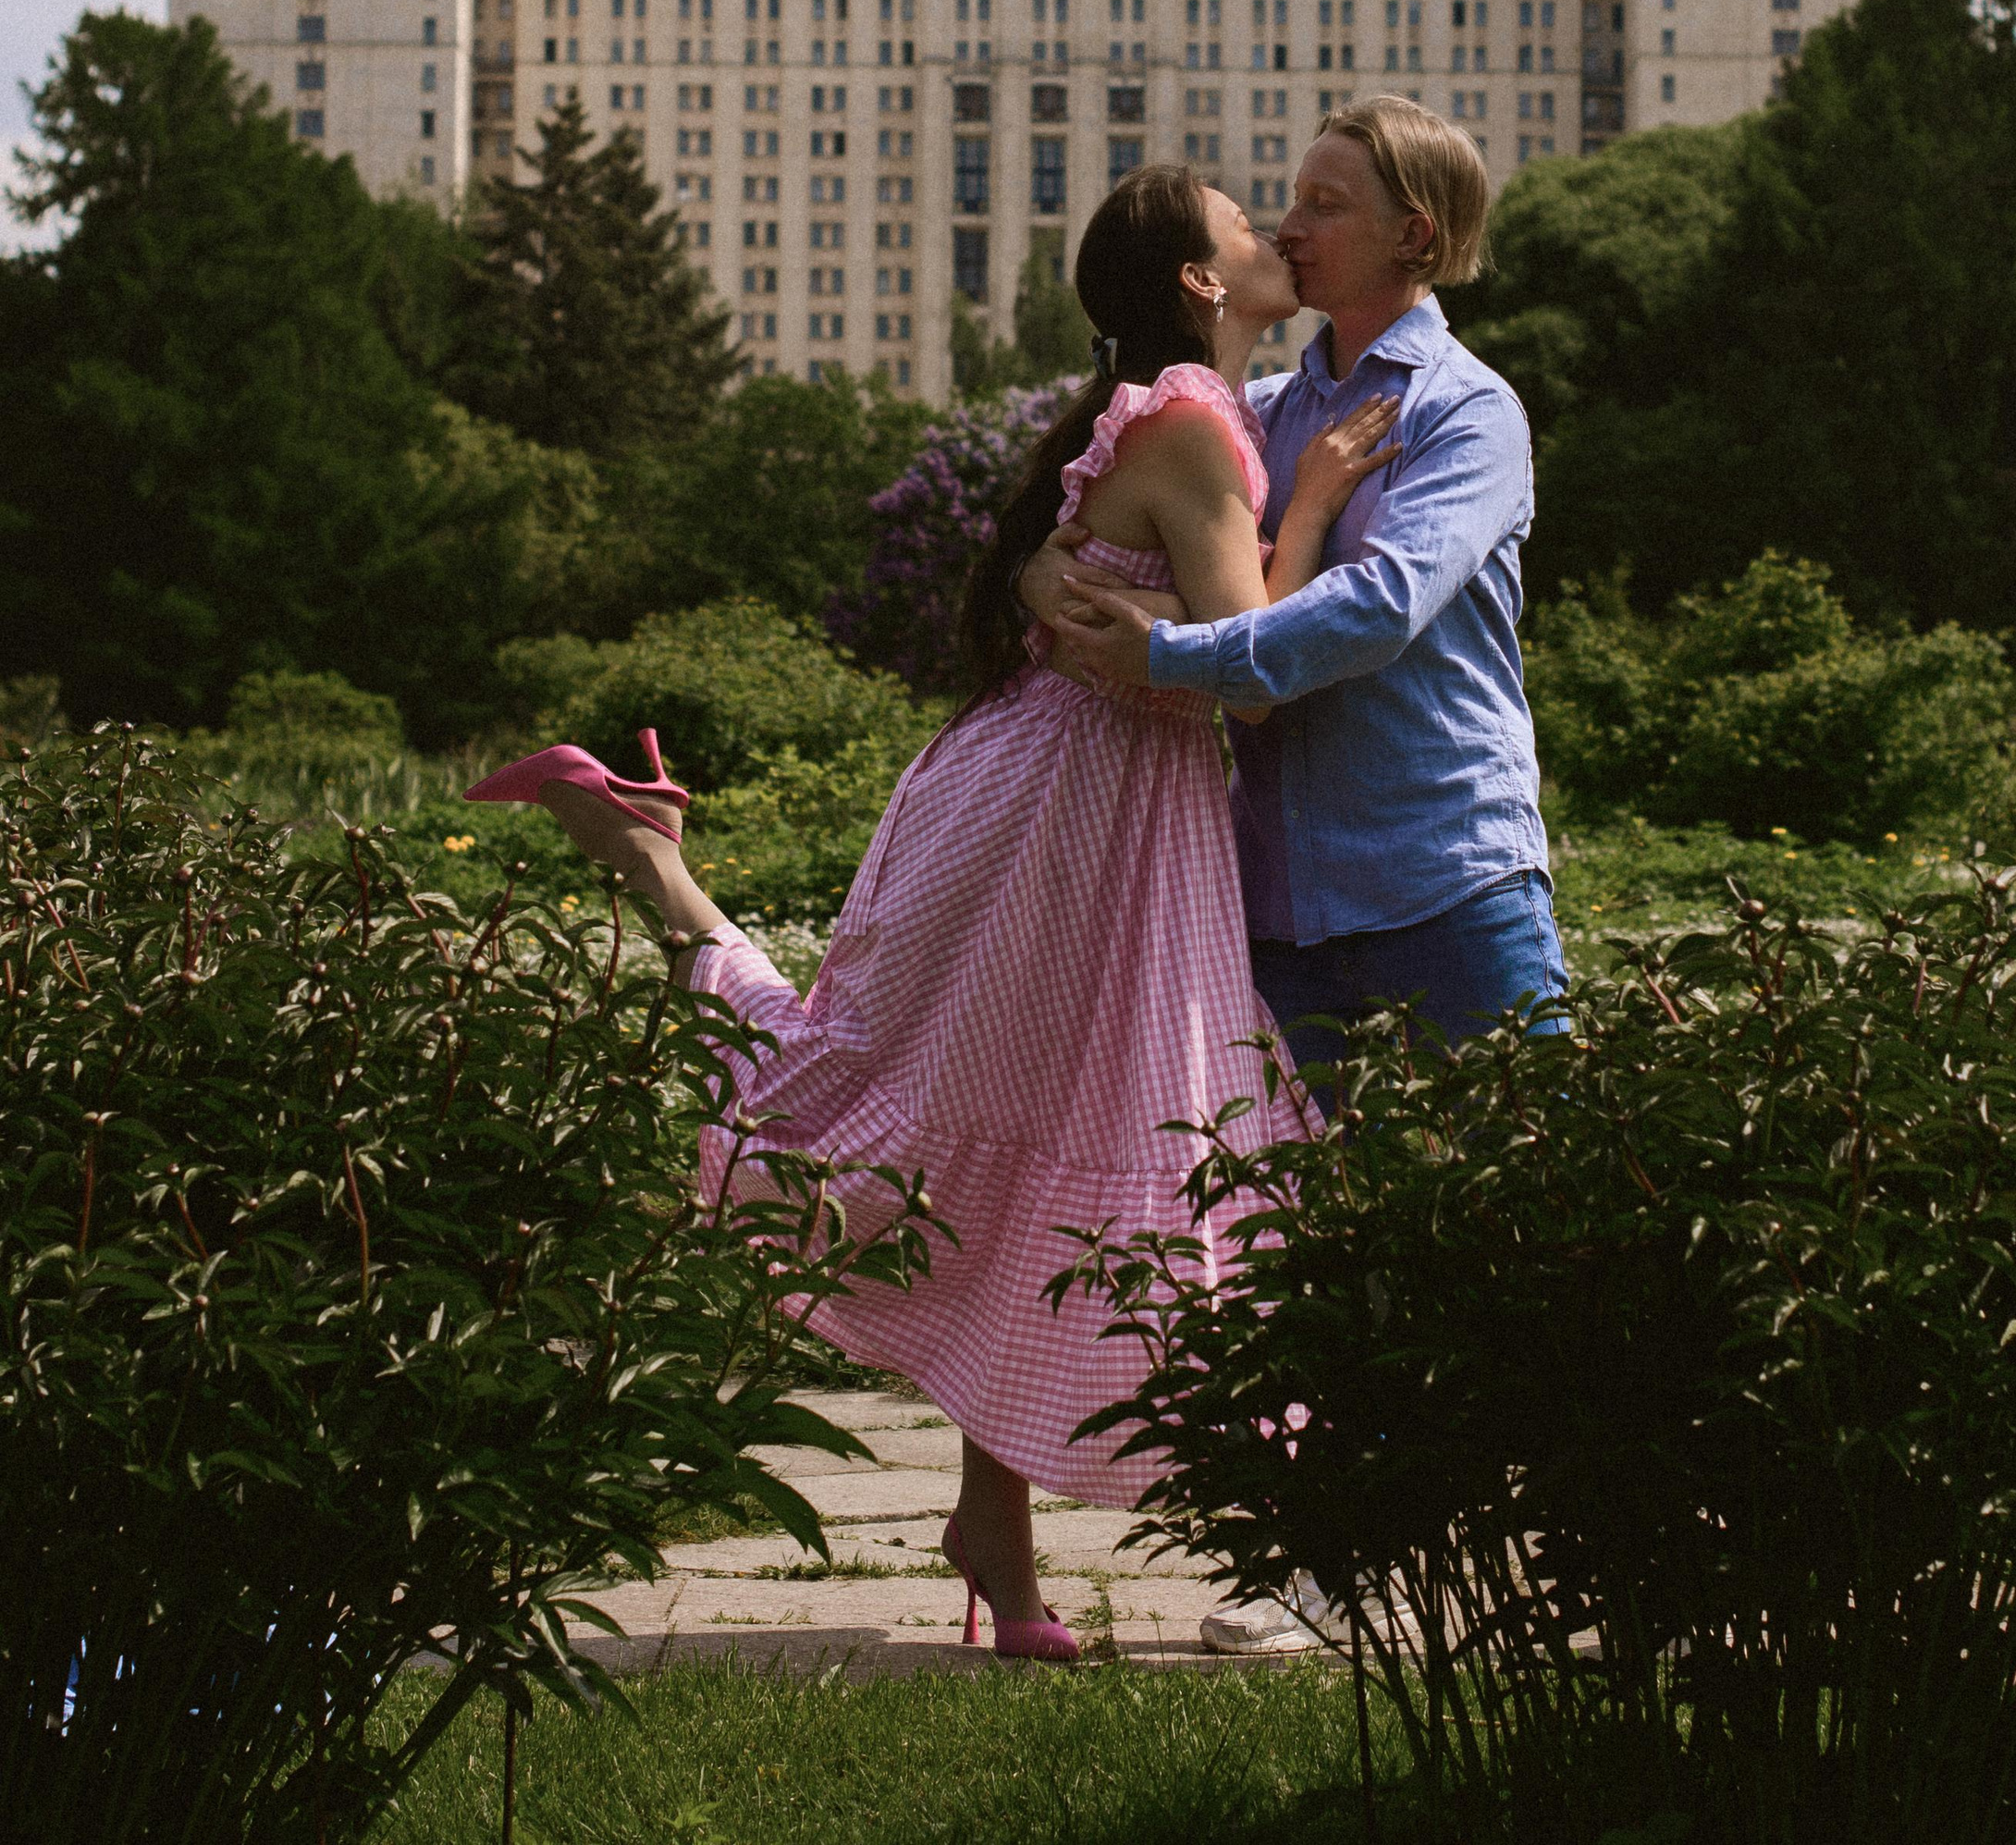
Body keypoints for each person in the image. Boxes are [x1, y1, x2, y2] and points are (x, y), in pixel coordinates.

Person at [467, 166, 1396, 1667]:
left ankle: (995, 1536)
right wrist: (1330, 501)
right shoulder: (1193, 424)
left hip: (1070, 796)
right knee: (953, 1113)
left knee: (1023, 1127)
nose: (1271, 231)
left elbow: (1156, 615)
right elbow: (1254, 645)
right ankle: (655, 866)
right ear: (1200, 284)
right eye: (1242, 219)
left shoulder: (1163, 410)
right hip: (1072, 808)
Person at [1032, 98, 1563, 1657]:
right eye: (1287, 198)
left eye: (1322, 201)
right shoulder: (1265, 417)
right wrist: (1046, 570)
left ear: (1413, 231)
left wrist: (1178, 653)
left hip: (1449, 876)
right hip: (1281, 899)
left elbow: (1382, 609)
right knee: (1321, 1262)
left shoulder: (1468, 410)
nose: (1287, 221)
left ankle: (1582, 1534)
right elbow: (1146, 514)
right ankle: (1338, 1565)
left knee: (1528, 1229)